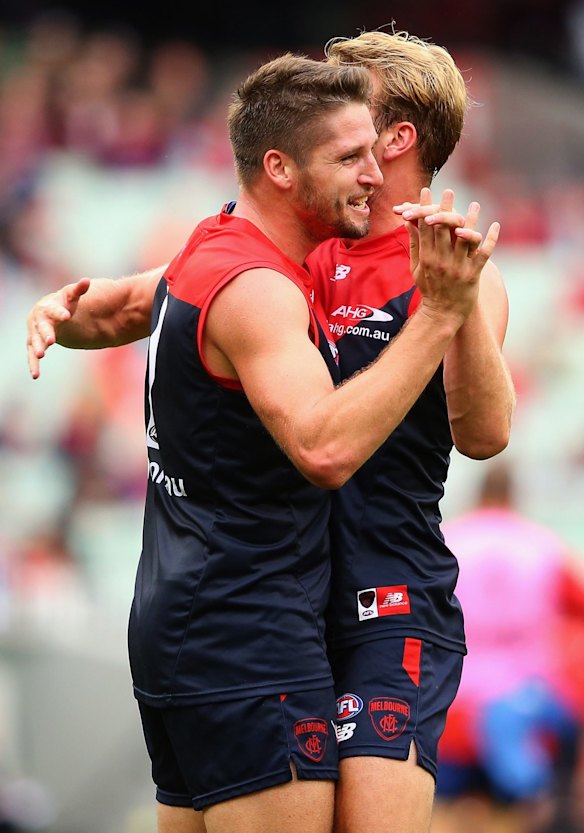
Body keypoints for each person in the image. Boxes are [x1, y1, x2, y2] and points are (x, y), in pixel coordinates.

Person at [26, 33, 506, 833]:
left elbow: (485, 433)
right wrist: (62, 311)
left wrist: (448, 310)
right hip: (286, 604)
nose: (334, 98)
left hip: (388, 599)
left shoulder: (455, 268)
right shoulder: (304, 239)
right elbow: (148, 298)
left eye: (356, 98)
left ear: (396, 139)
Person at [434, 459, 584, 833]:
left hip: (450, 701)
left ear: (477, 495)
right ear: (514, 496)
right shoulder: (542, 545)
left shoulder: (446, 541)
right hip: (523, 705)